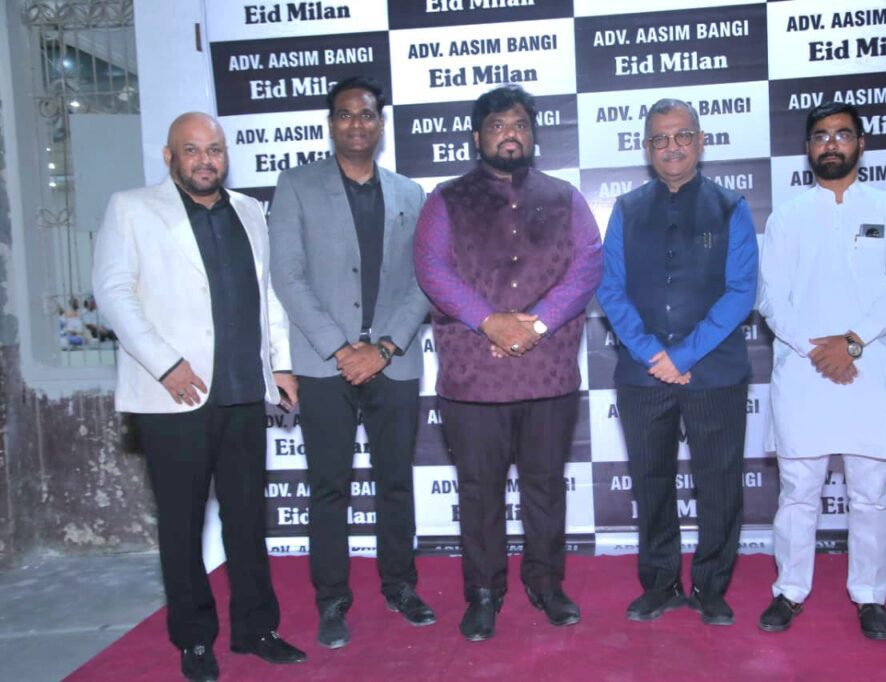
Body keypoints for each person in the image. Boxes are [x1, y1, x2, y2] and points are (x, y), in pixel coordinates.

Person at [92, 112, 306, 682]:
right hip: (174, 396)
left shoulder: (250, 210)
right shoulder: (131, 208)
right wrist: (165, 364)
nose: (205, 160)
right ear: (169, 157)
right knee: (182, 524)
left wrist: (280, 363)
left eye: (214, 149)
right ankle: (193, 639)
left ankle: (257, 629)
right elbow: (112, 293)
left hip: (244, 392)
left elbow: (267, 294)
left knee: (247, 520)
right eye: (191, 150)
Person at [414, 85, 603, 642]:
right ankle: (483, 592)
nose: (510, 134)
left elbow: (587, 265)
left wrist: (535, 326)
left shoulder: (565, 197)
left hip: (548, 372)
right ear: (477, 137)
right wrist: (490, 322)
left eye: (519, 124)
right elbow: (432, 270)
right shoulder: (446, 200)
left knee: (545, 487)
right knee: (479, 491)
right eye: (497, 126)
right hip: (474, 376)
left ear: (533, 134)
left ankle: (546, 584)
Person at [269, 77, 434, 649]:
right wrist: (341, 349)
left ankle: (401, 587)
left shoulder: (410, 193)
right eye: (345, 114)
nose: (356, 124)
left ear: (381, 124)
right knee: (328, 488)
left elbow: (425, 279)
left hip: (394, 362)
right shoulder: (296, 186)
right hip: (324, 365)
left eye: (366, 114)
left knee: (396, 484)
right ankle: (332, 601)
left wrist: (382, 348)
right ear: (331, 123)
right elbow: (287, 276)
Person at [756, 101, 886, 641]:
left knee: (871, 495)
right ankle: (790, 590)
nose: (831, 144)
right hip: (806, 371)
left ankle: (870, 596)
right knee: (798, 493)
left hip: (871, 373)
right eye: (821, 136)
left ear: (861, 144)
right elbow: (772, 297)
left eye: (842, 135)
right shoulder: (788, 216)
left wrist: (850, 344)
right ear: (808, 148)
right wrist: (820, 350)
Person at [596, 99, 758, 627]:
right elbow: (610, 289)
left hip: (715, 372)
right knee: (651, 482)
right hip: (643, 374)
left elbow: (741, 292)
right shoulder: (625, 210)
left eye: (682, 135)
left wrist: (683, 356)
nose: (672, 147)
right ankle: (660, 584)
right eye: (660, 138)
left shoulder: (731, 207)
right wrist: (652, 354)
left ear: (701, 141)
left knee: (720, 484)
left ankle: (711, 587)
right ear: (646, 148)